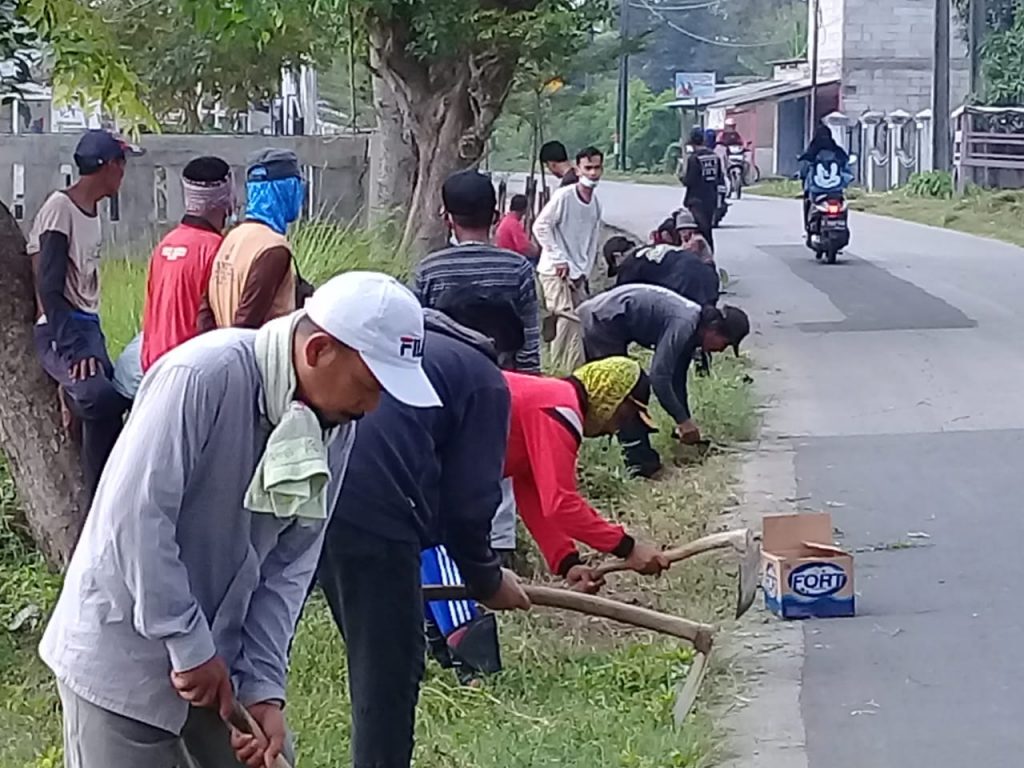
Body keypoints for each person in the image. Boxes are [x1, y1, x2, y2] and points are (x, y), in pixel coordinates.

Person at [39, 271, 441, 768]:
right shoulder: (202, 376)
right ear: (317, 351)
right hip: (125, 653)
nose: (374, 405)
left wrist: (265, 688)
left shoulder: (337, 424)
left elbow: (290, 566)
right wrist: (188, 644)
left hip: (222, 663)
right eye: (369, 384)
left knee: (272, 755)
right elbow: (137, 522)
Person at [317, 308, 530, 768]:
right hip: (373, 515)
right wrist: (487, 580)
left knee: (265, 655)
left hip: (307, 492)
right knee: (387, 672)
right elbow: (470, 503)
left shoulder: (400, 349)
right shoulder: (484, 377)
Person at [27, 129, 142, 498]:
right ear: (106, 167)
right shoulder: (61, 209)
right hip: (61, 328)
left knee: (121, 393)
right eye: (121, 163)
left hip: (88, 325)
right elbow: (48, 286)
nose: (123, 172)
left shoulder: (90, 213)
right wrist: (73, 349)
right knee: (100, 399)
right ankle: (98, 500)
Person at [504, 356, 670, 592]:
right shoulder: (559, 408)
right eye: (622, 417)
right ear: (610, 395)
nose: (614, 429)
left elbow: (533, 492)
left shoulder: (551, 400)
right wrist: (628, 548)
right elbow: (561, 503)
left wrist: (567, 562)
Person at [576, 284, 749, 477]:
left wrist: (684, 420)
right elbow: (659, 377)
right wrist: (682, 421)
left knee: (629, 391)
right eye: (724, 344)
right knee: (628, 393)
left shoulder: (693, 327)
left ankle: (631, 457)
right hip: (602, 320)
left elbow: (677, 378)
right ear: (714, 329)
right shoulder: (684, 324)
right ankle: (642, 465)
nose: (720, 351)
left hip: (609, 318)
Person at [413, 169, 541, 374]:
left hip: (446, 381)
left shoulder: (430, 271)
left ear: (447, 219)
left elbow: (419, 337)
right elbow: (529, 343)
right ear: (495, 216)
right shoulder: (518, 268)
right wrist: (530, 381)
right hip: (504, 382)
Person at [199, 149, 308, 331]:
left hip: (224, 349)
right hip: (253, 356)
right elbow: (246, 323)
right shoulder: (273, 248)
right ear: (287, 190)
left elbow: (204, 312)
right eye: (297, 186)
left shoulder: (231, 237)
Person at [142, 156, 234, 371]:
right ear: (226, 195)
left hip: (154, 368)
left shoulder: (164, 245)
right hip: (191, 369)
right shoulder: (218, 249)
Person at [532, 146, 604, 372]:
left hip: (577, 273)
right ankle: (560, 371)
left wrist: (584, 271)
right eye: (588, 168)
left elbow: (592, 242)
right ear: (578, 169)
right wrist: (558, 258)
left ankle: (572, 370)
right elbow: (540, 226)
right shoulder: (564, 196)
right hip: (555, 271)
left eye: (597, 168)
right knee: (568, 320)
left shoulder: (595, 204)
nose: (593, 173)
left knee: (580, 321)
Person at [602, 213, 720, 309]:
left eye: (616, 268)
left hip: (686, 285)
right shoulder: (650, 251)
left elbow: (619, 298)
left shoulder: (629, 265)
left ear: (617, 257)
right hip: (708, 273)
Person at [798, 123, 853, 230]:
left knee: (807, 200)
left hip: (816, 190)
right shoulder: (837, 151)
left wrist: (801, 175)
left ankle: (808, 227)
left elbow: (804, 167)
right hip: (836, 190)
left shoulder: (812, 151)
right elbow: (845, 164)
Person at [681, 127, 722, 252]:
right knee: (707, 227)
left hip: (696, 199)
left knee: (701, 230)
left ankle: (705, 256)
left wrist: (681, 177)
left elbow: (690, 181)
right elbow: (719, 177)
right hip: (711, 198)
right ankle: (709, 255)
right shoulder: (714, 157)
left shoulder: (694, 158)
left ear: (692, 142)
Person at [494, 193, 540, 261]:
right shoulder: (513, 224)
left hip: (505, 254)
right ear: (524, 209)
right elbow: (523, 247)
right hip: (511, 257)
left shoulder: (506, 219)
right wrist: (538, 252)